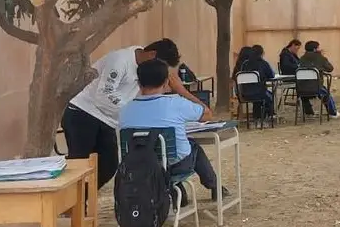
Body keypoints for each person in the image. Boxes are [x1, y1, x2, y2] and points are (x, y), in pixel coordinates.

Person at [119, 58, 229, 202]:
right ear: (166, 82)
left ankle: (177, 193)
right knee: (192, 147)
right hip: (175, 166)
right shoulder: (176, 104)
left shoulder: (125, 110)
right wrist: (181, 90)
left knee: (168, 151)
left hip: (139, 167)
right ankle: (215, 187)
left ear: (139, 83)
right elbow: (207, 114)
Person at [62, 45, 152, 189]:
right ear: (152, 54)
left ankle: (83, 198)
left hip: (107, 120)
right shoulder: (120, 60)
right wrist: (130, 111)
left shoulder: (144, 68)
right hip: (83, 112)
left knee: (108, 166)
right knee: (79, 165)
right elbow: (103, 94)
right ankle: (71, 200)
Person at [298, 41, 340, 118]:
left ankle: (309, 112)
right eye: (318, 48)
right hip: (316, 87)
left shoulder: (301, 58)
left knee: (305, 95)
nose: (320, 49)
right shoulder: (320, 58)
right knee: (326, 94)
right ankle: (333, 112)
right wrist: (322, 57)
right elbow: (330, 68)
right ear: (315, 49)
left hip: (302, 88)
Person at [233, 46, 276, 120]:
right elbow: (271, 75)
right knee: (269, 96)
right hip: (259, 94)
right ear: (261, 54)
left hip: (245, 94)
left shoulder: (245, 64)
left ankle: (257, 116)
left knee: (258, 93)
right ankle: (269, 115)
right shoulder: (264, 63)